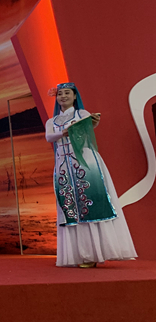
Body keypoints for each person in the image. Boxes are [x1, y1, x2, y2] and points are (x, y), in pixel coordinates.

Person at [45, 83, 137, 268]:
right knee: (70, 208)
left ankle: (96, 252)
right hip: (64, 166)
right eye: (60, 94)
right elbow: (49, 137)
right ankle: (79, 254)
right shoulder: (51, 121)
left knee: (91, 203)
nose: (63, 96)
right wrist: (64, 132)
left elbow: (89, 128)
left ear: (74, 96)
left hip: (85, 162)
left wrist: (91, 123)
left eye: (67, 93)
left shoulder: (82, 114)